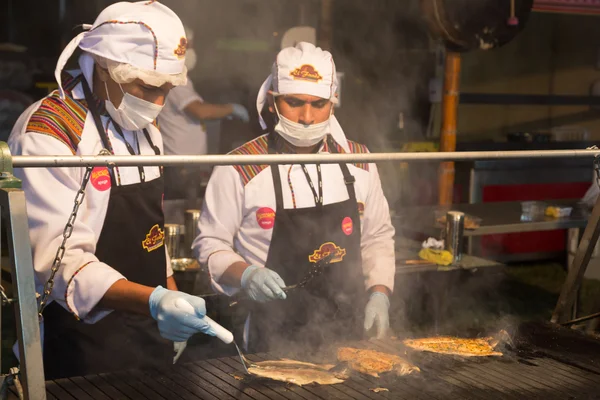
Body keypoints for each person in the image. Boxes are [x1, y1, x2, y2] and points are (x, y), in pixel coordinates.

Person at [8, 1, 215, 379]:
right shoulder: (49, 133)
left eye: (167, 89)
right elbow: (59, 265)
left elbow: (150, 235)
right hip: (78, 343)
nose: (157, 104)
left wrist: (170, 293)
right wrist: (155, 301)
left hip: (148, 334)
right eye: (146, 87)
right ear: (103, 66)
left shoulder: (146, 131)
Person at [194, 42, 395, 353]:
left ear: (334, 102)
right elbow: (210, 245)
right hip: (271, 338)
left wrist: (379, 294)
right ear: (273, 102)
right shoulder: (240, 166)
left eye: (319, 104)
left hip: (351, 335)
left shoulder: (360, 161)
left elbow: (377, 237)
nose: (306, 117)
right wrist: (247, 275)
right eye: (295, 102)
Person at [160, 26, 249, 203]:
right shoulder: (175, 78)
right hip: (180, 167)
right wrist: (231, 109)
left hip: (185, 166)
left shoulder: (178, 77)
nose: (193, 51)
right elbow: (200, 111)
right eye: (189, 46)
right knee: (183, 211)